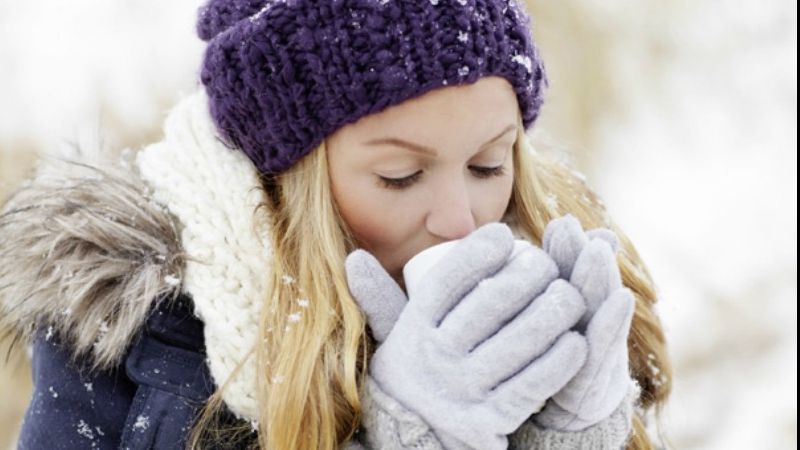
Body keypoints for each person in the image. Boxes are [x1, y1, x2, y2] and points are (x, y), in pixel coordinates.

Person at [0, 0, 672, 449]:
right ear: (288, 176)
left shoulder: (564, 283)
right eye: (400, 178)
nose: (461, 221)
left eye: (488, 164)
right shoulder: (130, 338)